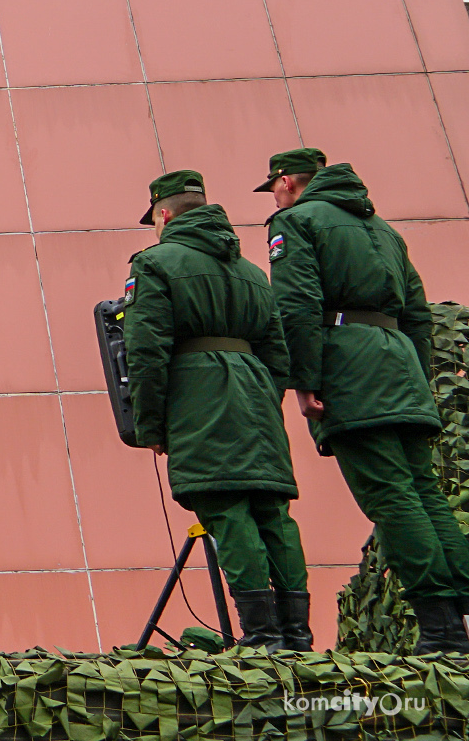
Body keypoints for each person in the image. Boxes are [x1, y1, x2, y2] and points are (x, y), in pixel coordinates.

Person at [260, 148, 469, 652]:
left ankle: (439, 629)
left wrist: (303, 379)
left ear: (286, 182)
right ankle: (454, 619)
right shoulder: (386, 232)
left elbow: (298, 304)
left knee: (391, 497)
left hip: (351, 371)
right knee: (424, 491)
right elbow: (417, 315)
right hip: (400, 367)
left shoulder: (294, 222)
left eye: (272, 188)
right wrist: (416, 379)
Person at [123, 170, 308, 650]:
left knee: (225, 507)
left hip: (199, 398)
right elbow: (278, 352)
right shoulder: (250, 270)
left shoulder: (154, 264)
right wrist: (266, 400)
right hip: (255, 397)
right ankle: (295, 635)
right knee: (272, 513)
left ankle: (262, 634)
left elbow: (145, 351)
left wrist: (150, 424)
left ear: (163, 214)